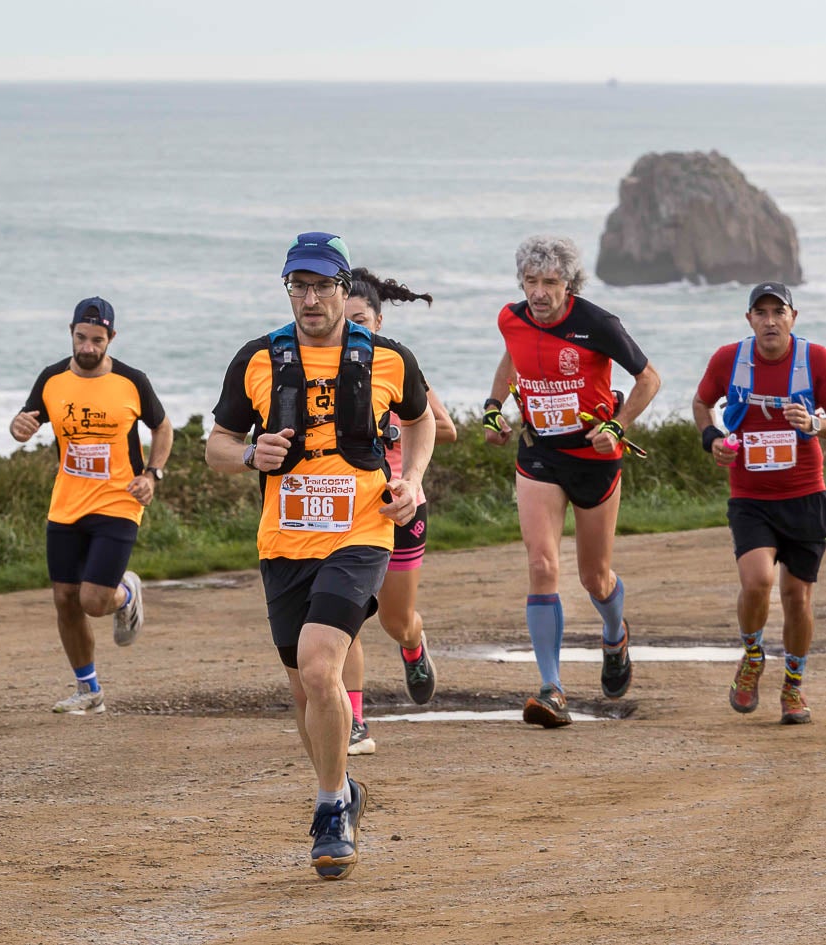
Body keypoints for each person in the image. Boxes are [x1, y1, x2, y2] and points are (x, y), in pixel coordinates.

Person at [206, 232, 434, 880]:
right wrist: (250, 454)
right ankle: (343, 786)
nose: (309, 298)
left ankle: (331, 805)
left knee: (317, 662)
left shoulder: (389, 359)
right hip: (282, 542)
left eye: (320, 286)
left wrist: (411, 481)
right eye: (297, 286)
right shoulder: (256, 360)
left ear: (343, 288)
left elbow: (418, 421)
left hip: (361, 531)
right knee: (304, 691)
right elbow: (216, 444)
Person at [483, 235, 660, 728]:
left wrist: (616, 426)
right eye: (531, 282)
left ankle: (614, 634)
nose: (539, 293)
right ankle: (551, 688)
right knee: (541, 564)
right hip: (539, 454)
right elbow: (512, 357)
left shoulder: (597, 324)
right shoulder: (510, 318)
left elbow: (649, 379)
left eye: (551, 283)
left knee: (594, 577)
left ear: (569, 284)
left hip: (594, 461)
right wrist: (494, 409)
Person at [10, 297, 173, 714]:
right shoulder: (51, 379)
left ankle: (125, 595)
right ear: (71, 333)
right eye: (81, 338)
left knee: (93, 601)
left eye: (97, 340)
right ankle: (89, 690)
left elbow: (162, 426)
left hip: (119, 501)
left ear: (111, 338)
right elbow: (25, 424)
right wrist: (19, 426)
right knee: (65, 598)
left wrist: (151, 474)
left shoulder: (131, 381)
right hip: (66, 504)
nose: (87, 347)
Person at [693, 282, 824, 725]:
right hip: (750, 496)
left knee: (797, 598)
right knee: (756, 582)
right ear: (749, 318)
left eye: (778, 312)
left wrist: (814, 423)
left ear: (793, 316)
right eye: (761, 312)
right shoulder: (729, 360)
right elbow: (701, 402)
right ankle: (752, 655)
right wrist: (712, 439)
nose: (770, 320)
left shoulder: (816, 360)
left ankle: (793, 687)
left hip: (806, 495)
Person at [338, 272, 457, 755]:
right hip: (346, 509)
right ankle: (355, 723)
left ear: (378, 320)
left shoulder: (394, 363)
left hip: (401, 508)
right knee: (342, 617)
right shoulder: (321, 366)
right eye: (344, 322)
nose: (352, 331)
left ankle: (413, 644)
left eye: (361, 321)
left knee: (394, 619)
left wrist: (391, 432)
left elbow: (443, 427)